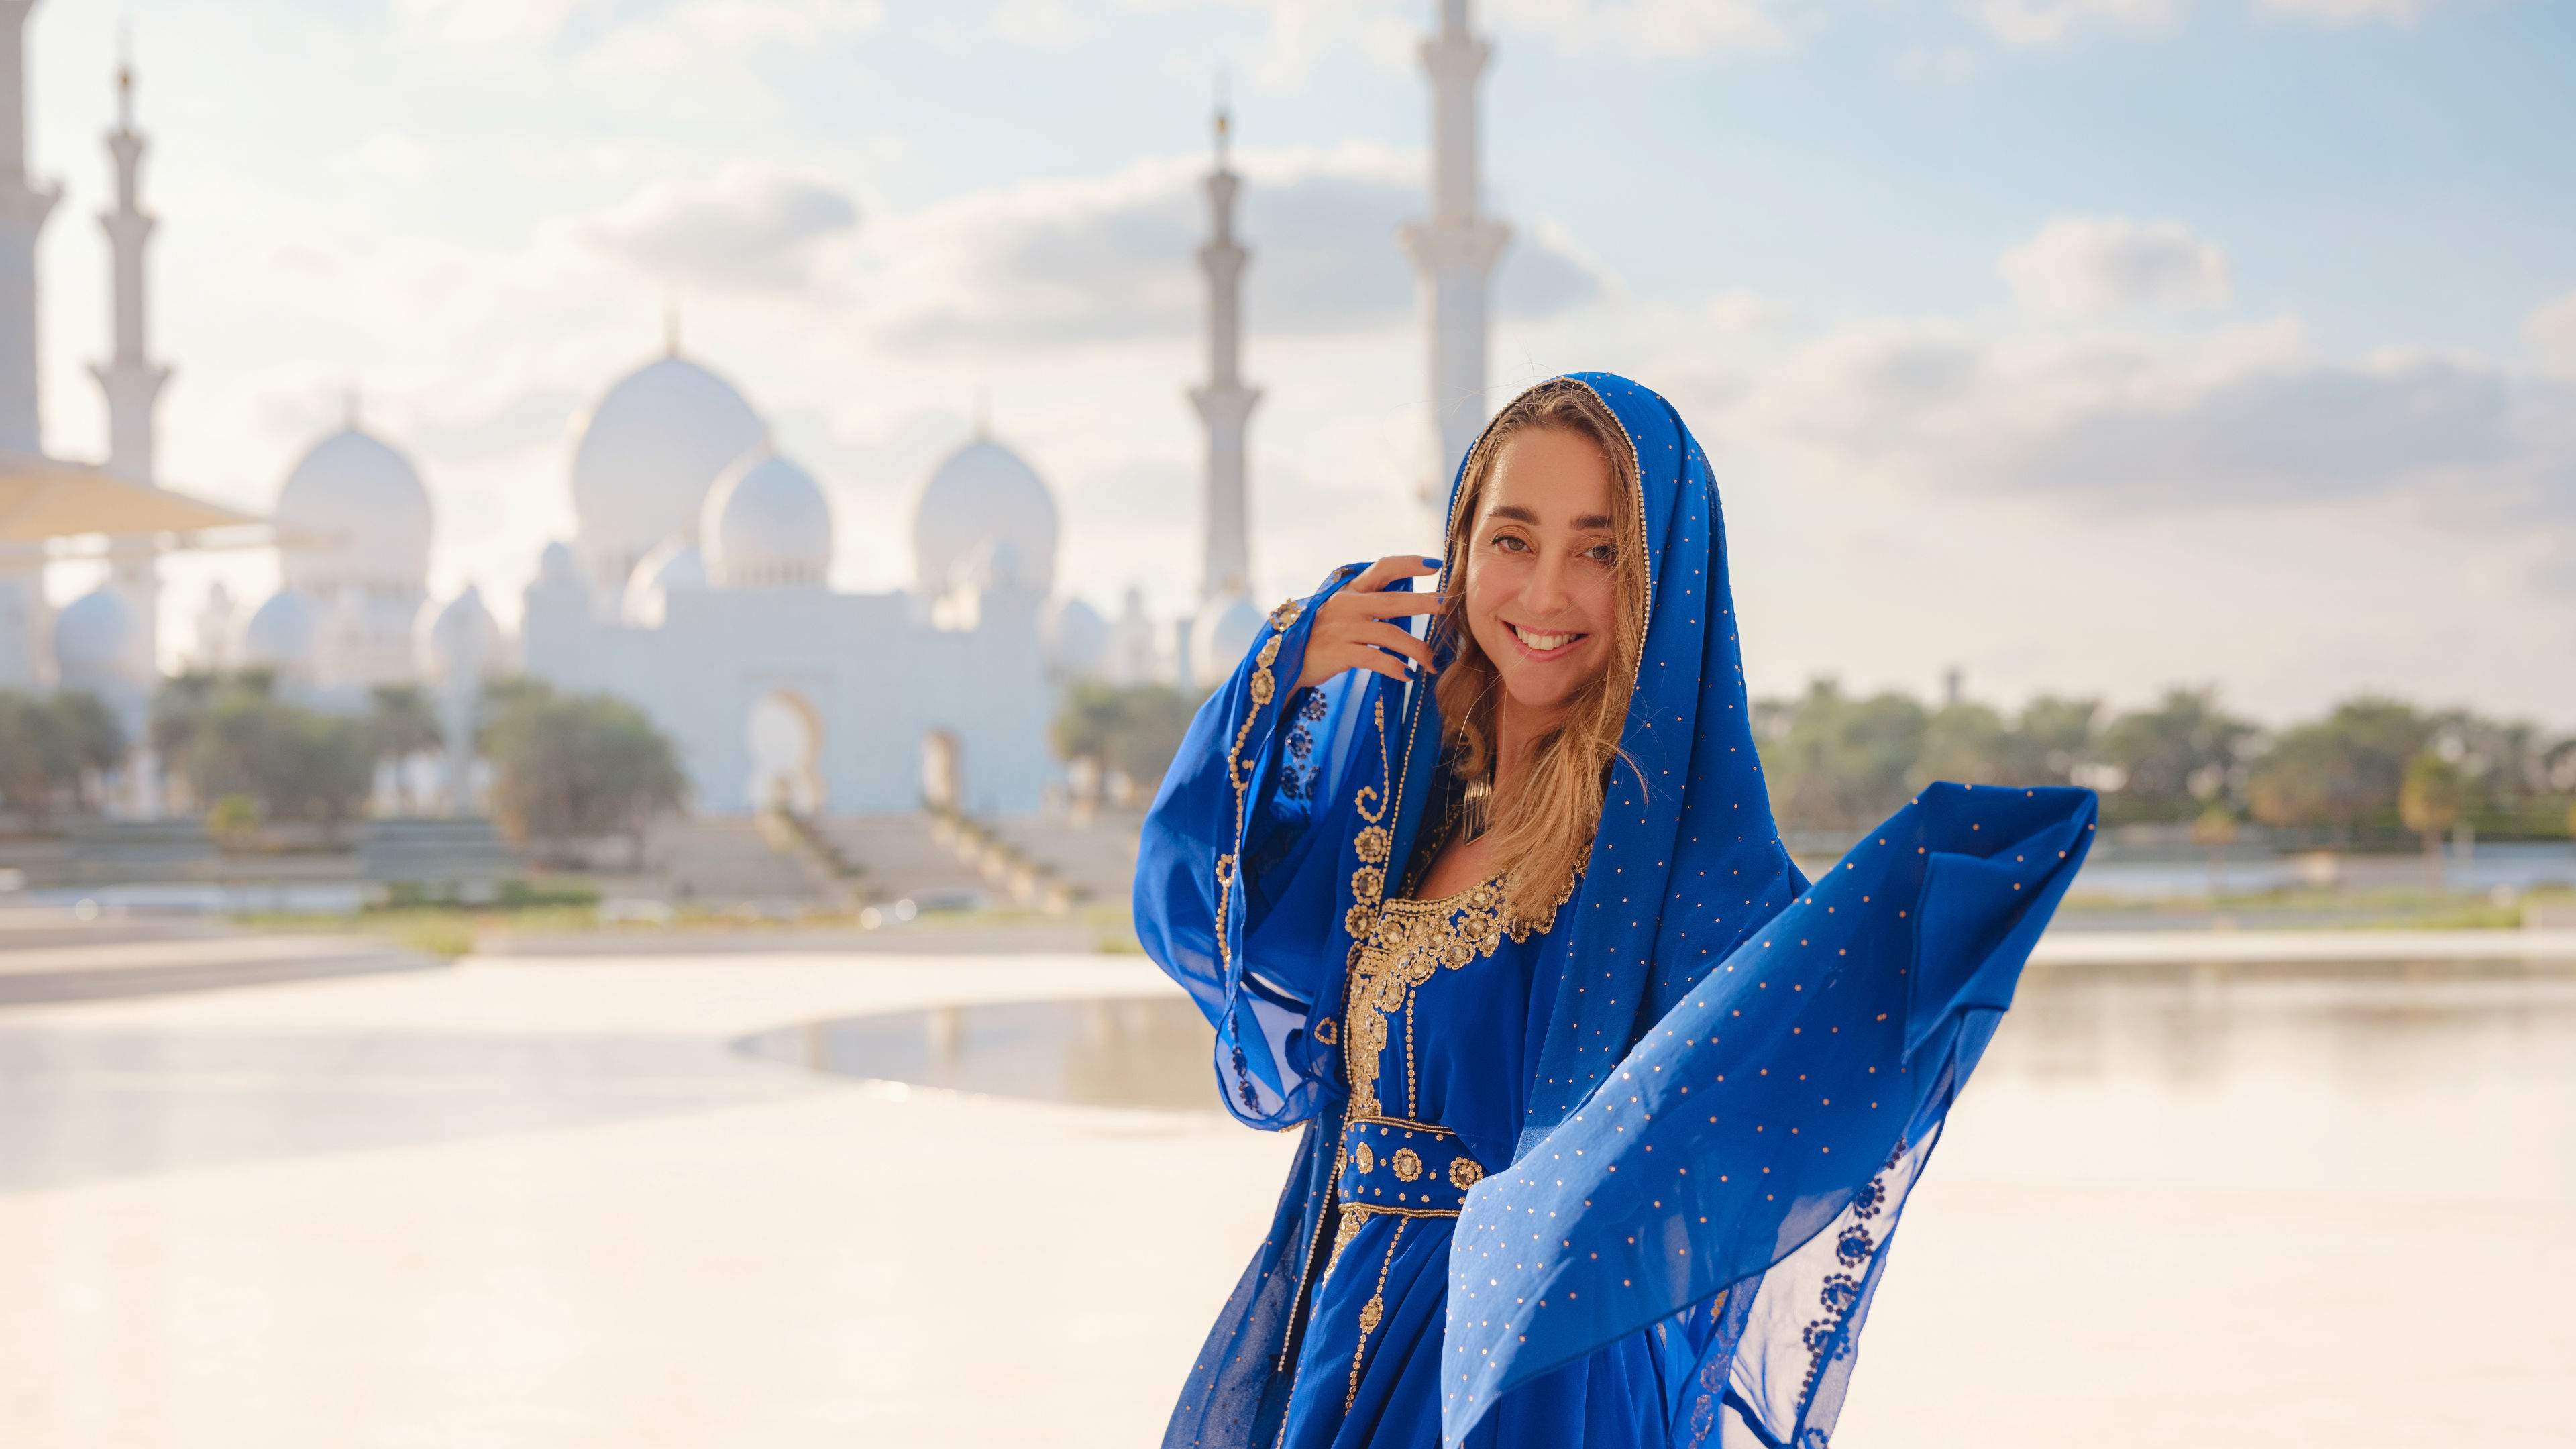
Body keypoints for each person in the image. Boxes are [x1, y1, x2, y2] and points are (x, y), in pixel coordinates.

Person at [1136, 374, 2095, 1448]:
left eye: (1599, 552)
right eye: (1512, 539)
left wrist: (1933, 903)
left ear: (1660, 583)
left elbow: (1781, 1052)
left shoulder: (1664, 855)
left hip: (1529, 1382)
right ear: (1460, 551)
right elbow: (1207, 920)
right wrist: (1280, 680)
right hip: (1334, 1341)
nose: (1546, 593)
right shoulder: (1404, 803)